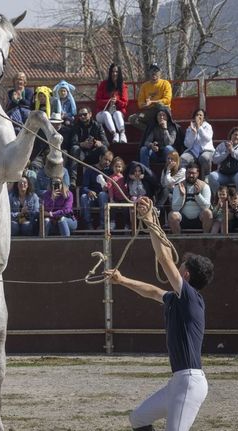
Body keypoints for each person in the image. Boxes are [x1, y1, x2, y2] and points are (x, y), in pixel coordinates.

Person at [104, 197, 213, 431]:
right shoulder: (177, 299)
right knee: (139, 419)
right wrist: (122, 280)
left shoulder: (190, 297)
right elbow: (152, 291)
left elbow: (163, 258)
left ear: (186, 275)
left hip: (189, 382)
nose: (179, 265)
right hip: (178, 382)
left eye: (182, 265)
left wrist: (150, 219)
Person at [168, 163, 213, 234]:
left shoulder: (204, 186)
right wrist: (182, 195)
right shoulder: (179, 186)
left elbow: (206, 207)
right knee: (172, 215)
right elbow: (175, 208)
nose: (191, 175)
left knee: (208, 213)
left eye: (193, 173)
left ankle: (205, 238)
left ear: (198, 174)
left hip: (199, 219)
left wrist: (198, 195)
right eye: (189, 173)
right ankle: (178, 242)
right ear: (186, 173)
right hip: (183, 219)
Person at [208, 127, 238, 197]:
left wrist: (232, 151)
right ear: (231, 135)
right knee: (212, 176)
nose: (236, 137)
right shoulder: (222, 145)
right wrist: (226, 152)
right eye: (235, 134)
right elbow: (215, 160)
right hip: (224, 174)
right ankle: (218, 199)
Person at [131, 63, 173, 131]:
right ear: (149, 73)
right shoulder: (144, 86)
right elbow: (140, 104)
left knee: (160, 106)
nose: (154, 72)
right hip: (150, 112)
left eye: (156, 70)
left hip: (163, 111)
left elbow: (167, 100)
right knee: (133, 118)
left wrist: (152, 102)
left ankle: (164, 132)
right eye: (152, 70)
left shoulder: (165, 83)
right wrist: (146, 105)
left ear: (160, 73)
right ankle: (151, 132)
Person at [79, 150, 113, 230]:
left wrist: (107, 188)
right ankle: (88, 224)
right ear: (100, 158)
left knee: (102, 194)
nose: (107, 162)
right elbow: (83, 187)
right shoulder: (90, 169)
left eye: (109, 161)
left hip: (104, 198)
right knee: (84, 196)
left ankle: (103, 224)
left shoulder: (109, 171)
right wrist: (88, 191)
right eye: (105, 159)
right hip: (92, 198)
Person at [95, 63, 128, 143]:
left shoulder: (122, 86)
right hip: (102, 113)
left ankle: (122, 134)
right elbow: (97, 100)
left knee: (117, 113)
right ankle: (114, 134)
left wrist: (117, 101)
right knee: (107, 114)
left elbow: (125, 103)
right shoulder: (103, 84)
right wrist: (108, 101)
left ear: (119, 73)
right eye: (112, 72)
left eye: (116, 72)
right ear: (110, 73)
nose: (114, 74)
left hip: (117, 112)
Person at [180, 108, 214, 179]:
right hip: (193, 152)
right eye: (197, 115)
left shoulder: (208, 126)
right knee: (183, 158)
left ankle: (207, 179)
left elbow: (207, 139)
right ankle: (183, 179)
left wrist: (199, 127)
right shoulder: (190, 128)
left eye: (201, 115)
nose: (199, 117)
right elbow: (187, 144)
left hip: (206, 151)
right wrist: (193, 133)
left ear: (204, 117)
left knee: (204, 158)